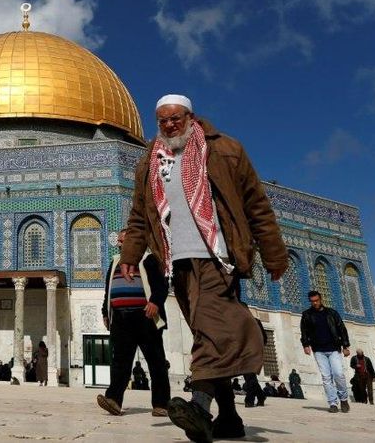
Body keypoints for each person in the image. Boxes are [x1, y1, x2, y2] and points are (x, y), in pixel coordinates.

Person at [119, 94, 288, 441]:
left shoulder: (224, 150)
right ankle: (229, 418)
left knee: (211, 329)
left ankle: (199, 405)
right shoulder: (150, 161)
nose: (169, 124)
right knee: (206, 333)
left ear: (191, 117)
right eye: (162, 119)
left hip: (218, 256)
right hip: (175, 262)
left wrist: (274, 253)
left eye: (176, 117)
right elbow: (140, 216)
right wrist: (130, 256)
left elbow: (256, 204)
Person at [98, 229, 170, 418]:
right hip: (120, 319)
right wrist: (106, 313)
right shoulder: (115, 263)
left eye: (123, 240)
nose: (120, 244)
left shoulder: (148, 260)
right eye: (119, 242)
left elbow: (161, 286)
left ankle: (161, 404)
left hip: (145, 317)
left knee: (156, 362)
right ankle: (113, 400)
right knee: (120, 362)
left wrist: (154, 301)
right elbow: (108, 290)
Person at [300, 290, 351, 413]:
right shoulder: (307, 315)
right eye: (312, 301)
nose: (315, 303)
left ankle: (343, 399)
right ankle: (333, 403)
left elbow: (341, 328)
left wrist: (345, 346)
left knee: (339, 374)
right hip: (319, 350)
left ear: (321, 299)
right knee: (326, 377)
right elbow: (304, 331)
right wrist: (306, 345)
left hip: (333, 348)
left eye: (317, 300)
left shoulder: (331, 313)